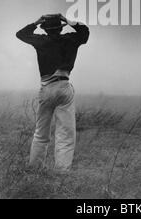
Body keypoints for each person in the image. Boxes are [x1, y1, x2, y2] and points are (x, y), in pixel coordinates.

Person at [16, 14, 89, 173]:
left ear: (46, 29)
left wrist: (37, 21)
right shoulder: (70, 39)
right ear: (60, 27)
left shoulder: (41, 41)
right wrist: (67, 20)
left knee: (41, 133)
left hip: (46, 89)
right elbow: (85, 32)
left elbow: (20, 34)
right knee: (65, 135)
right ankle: (62, 173)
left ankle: (35, 169)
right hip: (64, 86)